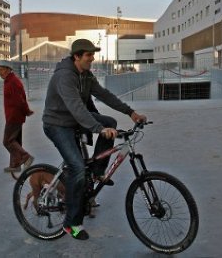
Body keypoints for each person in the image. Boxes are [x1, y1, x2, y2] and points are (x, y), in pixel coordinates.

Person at [42, 38, 147, 240]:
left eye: (93, 55)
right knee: (77, 168)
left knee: (111, 121)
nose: (92, 58)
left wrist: (130, 112)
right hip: (57, 124)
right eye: (89, 55)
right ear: (77, 56)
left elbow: (105, 95)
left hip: (74, 120)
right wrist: (98, 129)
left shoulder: (86, 76)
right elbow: (76, 108)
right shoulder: (65, 76)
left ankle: (98, 172)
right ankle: (71, 224)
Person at [0, 61, 34, 173]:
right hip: (14, 115)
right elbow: (22, 97)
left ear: (8, 69)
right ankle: (15, 164)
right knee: (15, 140)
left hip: (14, 116)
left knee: (7, 141)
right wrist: (26, 111)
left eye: (2, 69)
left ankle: (25, 156)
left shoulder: (12, 82)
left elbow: (20, 100)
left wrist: (26, 111)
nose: (0, 72)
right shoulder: (9, 81)